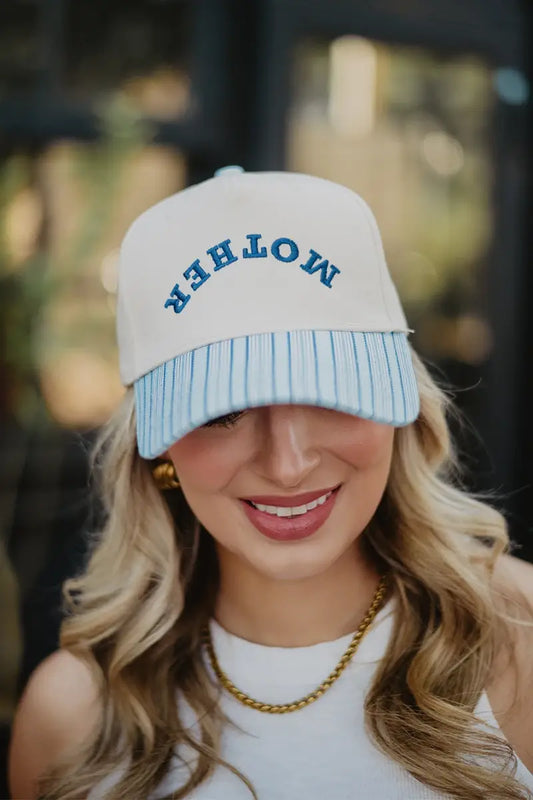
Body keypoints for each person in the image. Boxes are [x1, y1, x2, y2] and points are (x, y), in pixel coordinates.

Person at [8, 167, 533, 800]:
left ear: (403, 410)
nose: (287, 465)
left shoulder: (521, 640)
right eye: (223, 413)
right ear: (157, 451)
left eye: (329, 395)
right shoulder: (71, 718)